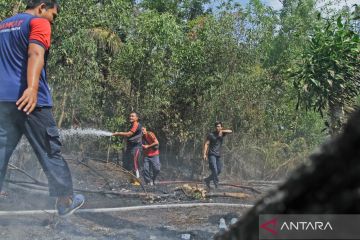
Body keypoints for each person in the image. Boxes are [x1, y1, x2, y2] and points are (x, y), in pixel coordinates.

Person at [0, 0, 85, 216]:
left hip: (3, 101)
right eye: (53, 16)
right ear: (42, 7)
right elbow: (35, 53)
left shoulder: (3, 25)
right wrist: (32, 88)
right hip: (31, 102)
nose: (53, 22)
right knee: (50, 150)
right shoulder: (38, 22)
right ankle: (65, 200)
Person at [112, 112, 142, 185]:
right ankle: (132, 181)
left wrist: (118, 133)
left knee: (135, 163)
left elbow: (129, 134)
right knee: (129, 164)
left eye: (132, 116)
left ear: (137, 118)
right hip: (130, 147)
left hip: (136, 147)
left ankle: (138, 181)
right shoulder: (132, 124)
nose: (130, 117)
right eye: (130, 116)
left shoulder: (136, 124)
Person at [203, 122, 232, 189]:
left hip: (218, 155)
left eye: (219, 126)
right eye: (216, 126)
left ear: (221, 127)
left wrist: (222, 131)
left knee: (219, 170)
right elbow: (206, 144)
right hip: (211, 154)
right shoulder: (211, 135)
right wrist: (204, 154)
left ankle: (207, 180)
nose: (217, 128)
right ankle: (216, 185)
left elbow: (230, 131)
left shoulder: (222, 133)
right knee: (215, 170)